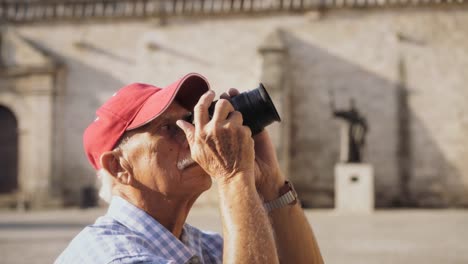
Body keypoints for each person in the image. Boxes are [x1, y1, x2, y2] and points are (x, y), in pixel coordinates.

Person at [56, 73, 323, 264]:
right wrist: (233, 176)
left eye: (190, 121)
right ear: (118, 167)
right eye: (169, 128)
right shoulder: (115, 256)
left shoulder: (206, 246)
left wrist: (270, 182)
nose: (194, 135)